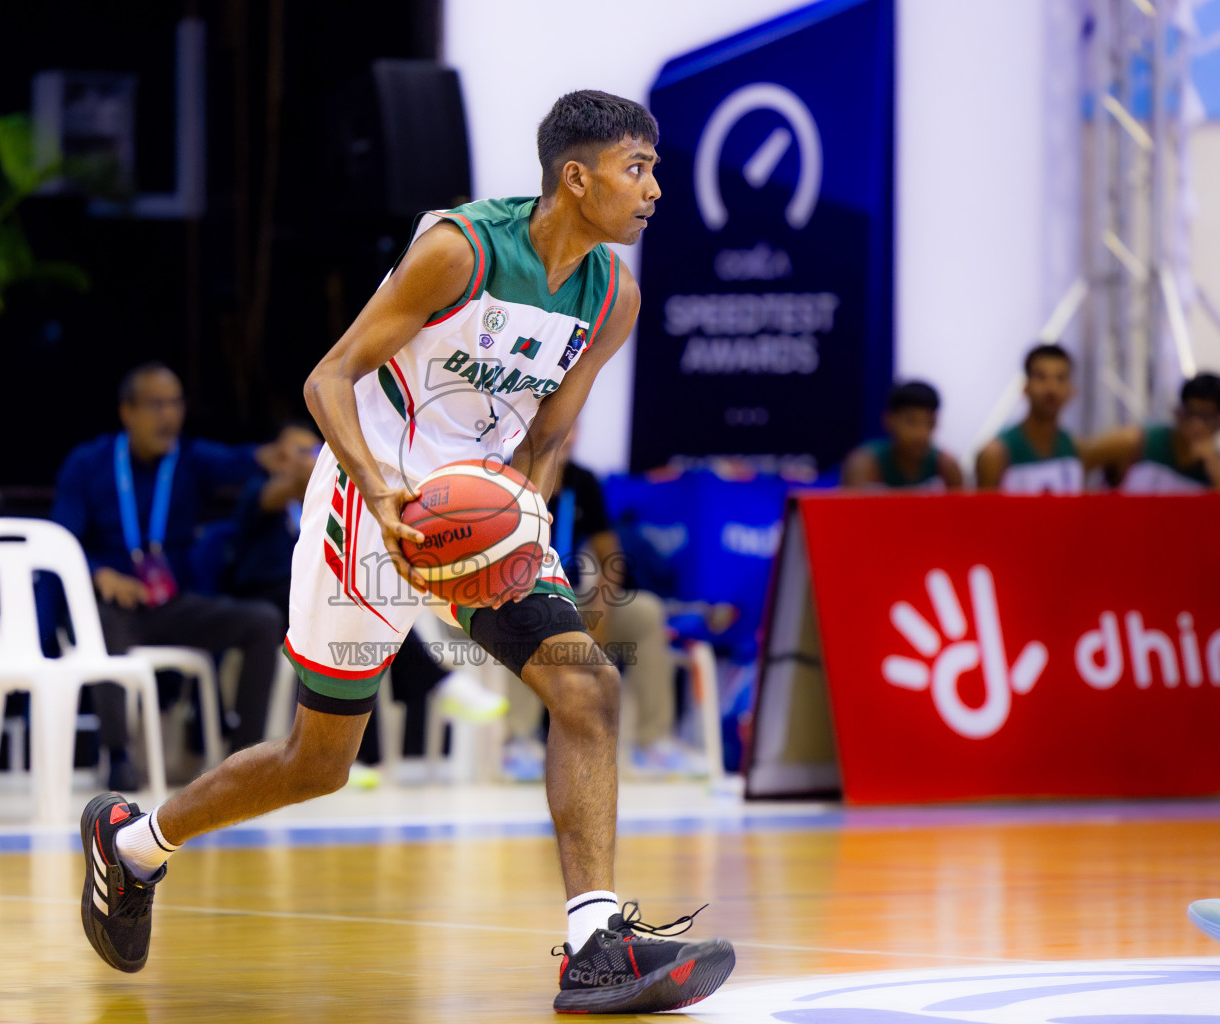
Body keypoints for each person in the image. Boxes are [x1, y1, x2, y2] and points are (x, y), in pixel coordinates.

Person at [79, 90, 735, 1013]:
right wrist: (379, 489)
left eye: (657, 170)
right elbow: (329, 378)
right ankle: (135, 842)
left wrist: (525, 520)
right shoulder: (461, 251)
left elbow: (551, 433)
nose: (656, 189)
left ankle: (595, 943)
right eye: (640, 169)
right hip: (372, 505)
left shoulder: (614, 293)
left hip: (478, 521)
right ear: (576, 178)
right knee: (318, 764)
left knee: (589, 686)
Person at [218, 420, 506, 781]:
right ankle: (437, 685)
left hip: (321, 600)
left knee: (362, 614)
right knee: (345, 611)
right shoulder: (260, 491)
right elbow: (277, 495)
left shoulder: (334, 501)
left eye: (315, 450)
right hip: (268, 596)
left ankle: (358, 758)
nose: (310, 457)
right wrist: (306, 471)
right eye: (299, 451)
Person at [51, 362, 286, 789]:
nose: (169, 416)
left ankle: (244, 762)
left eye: (176, 404)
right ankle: (118, 757)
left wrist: (276, 454)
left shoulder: (188, 458)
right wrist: (99, 572)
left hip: (168, 605)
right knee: (104, 626)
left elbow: (239, 461)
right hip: (107, 607)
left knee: (262, 620)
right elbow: (59, 542)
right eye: (157, 405)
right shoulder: (88, 463)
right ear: (128, 412)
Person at [502, 441, 700, 782]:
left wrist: (602, 606)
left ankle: (653, 742)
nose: (566, 436)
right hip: (515, 593)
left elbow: (610, 557)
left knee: (647, 612)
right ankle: (519, 741)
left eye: (573, 426)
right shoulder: (505, 475)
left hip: (570, 597)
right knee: (520, 614)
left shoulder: (583, 481)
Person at [1085, 372, 1220, 493]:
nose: (1196, 425)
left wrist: (1213, 461)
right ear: (1177, 412)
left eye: (1207, 418)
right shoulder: (1134, 441)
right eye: (1190, 414)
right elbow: (1079, 460)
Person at [975, 344, 1085, 493]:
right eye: (1041, 377)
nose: (1051, 388)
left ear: (1071, 390)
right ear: (1025, 387)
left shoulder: (1074, 448)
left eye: (1060, 378)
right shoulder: (995, 454)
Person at [841, 381, 963, 490]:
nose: (921, 433)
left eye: (929, 423)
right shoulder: (863, 464)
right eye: (911, 421)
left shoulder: (947, 466)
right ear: (889, 420)